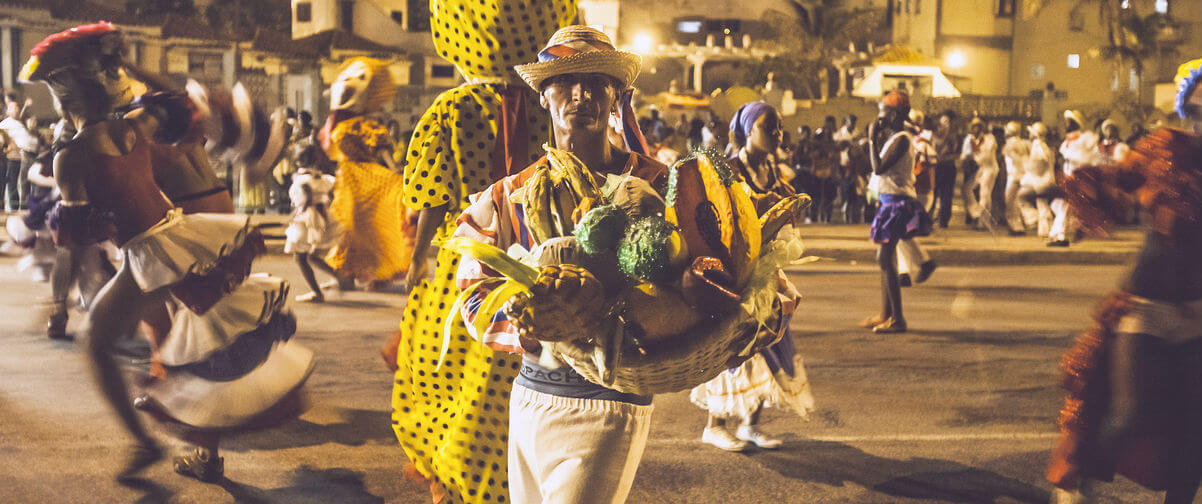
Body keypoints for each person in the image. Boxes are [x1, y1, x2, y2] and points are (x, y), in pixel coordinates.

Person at [21, 22, 310, 482]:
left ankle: (145, 444)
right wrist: (122, 61)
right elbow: (179, 104)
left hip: (152, 253)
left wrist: (64, 298)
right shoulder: (135, 124)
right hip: (188, 232)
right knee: (201, 339)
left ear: (63, 93)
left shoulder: (69, 157)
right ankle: (203, 451)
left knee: (101, 341)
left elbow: (73, 241)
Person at [457, 25, 668, 503]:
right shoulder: (510, 194)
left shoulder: (656, 184)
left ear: (617, 96)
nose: (581, 93)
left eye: (597, 82)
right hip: (532, 395)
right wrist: (522, 326)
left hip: (611, 401)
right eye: (566, 81)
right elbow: (470, 284)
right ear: (544, 95)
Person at [386, 2, 577, 502]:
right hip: (534, 252)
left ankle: (457, 476)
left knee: (450, 373)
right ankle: (513, 476)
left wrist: (418, 257)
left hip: (467, 257)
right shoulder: (549, 104)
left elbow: (433, 195)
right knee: (515, 374)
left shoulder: (453, 108)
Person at [1047, 57, 1202, 504]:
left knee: (1197, 429)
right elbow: (1115, 179)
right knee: (1129, 414)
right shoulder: (1164, 146)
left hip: (1198, 315)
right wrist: (1094, 189)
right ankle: (1080, 483)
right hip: (1145, 306)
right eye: (1196, 110)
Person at [691, 101, 814, 452]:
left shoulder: (777, 173)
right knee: (732, 348)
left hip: (767, 271)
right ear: (746, 130)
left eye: (778, 128)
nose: (776, 134)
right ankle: (714, 425)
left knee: (770, 344)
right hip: (733, 274)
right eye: (768, 127)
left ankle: (750, 423)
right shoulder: (728, 169)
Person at [320, 57, 415, 289]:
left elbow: (381, 149)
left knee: (366, 227)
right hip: (348, 180)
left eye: (361, 77)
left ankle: (378, 274)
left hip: (367, 181)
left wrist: (393, 169)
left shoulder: (366, 126)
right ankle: (348, 274)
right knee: (350, 227)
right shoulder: (339, 124)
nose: (350, 81)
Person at [862, 90, 931, 333]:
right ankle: (886, 314)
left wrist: (871, 139)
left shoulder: (902, 139)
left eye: (883, 113)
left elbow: (878, 168)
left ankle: (898, 319)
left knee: (884, 258)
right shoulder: (896, 138)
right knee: (886, 259)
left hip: (897, 204)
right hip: (889, 201)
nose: (879, 119)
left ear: (894, 114)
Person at [285, 144, 342, 303]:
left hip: (307, 217)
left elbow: (306, 200)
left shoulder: (303, 180)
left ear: (297, 161)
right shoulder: (321, 178)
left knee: (300, 257)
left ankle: (317, 292)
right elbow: (330, 193)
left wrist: (294, 214)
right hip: (321, 213)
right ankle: (340, 278)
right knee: (313, 255)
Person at [1050, 110, 1103, 247]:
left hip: (1078, 179)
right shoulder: (1066, 142)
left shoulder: (1084, 139)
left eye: (1069, 122)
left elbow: (1089, 159)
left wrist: (1070, 159)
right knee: (1059, 205)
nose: (1066, 125)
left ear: (1076, 124)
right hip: (1068, 178)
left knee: (1063, 206)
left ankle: (1061, 236)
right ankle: (1066, 232)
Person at [1017, 122, 1057, 238]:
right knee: (1042, 204)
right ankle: (1045, 228)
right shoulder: (1042, 145)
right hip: (1042, 179)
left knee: (1023, 198)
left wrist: (1026, 163)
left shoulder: (1038, 145)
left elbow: (1039, 162)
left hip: (1040, 179)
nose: (1029, 135)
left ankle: (1034, 220)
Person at [960, 117, 998, 230]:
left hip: (990, 169)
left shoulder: (990, 139)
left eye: (977, 127)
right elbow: (964, 155)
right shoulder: (970, 139)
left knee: (985, 194)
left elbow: (986, 156)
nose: (975, 129)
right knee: (967, 189)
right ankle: (976, 213)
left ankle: (983, 221)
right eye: (973, 127)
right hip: (980, 169)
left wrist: (973, 156)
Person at [930, 110, 960, 228]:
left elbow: (957, 154)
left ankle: (943, 220)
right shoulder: (933, 136)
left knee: (946, 196)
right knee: (932, 193)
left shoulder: (955, 137)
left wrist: (944, 157)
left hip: (948, 168)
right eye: (942, 122)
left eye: (947, 122)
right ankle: (929, 218)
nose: (944, 124)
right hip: (935, 168)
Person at [1001, 121, 1031, 235]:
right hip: (1022, 175)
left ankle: (1015, 226)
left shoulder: (1009, 144)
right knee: (1017, 202)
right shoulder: (1024, 143)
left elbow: (1015, 161)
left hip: (1014, 176)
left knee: (1010, 202)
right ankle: (1019, 226)